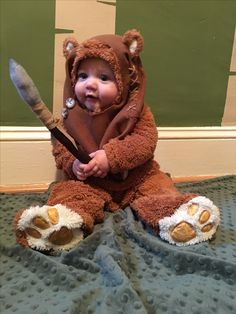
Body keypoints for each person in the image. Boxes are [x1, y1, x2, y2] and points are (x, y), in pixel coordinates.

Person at [14, 30, 220, 252]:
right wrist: (73, 164)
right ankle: (60, 224)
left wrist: (110, 157)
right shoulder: (69, 116)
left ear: (124, 82)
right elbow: (60, 147)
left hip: (137, 177)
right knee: (69, 193)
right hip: (90, 183)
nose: (90, 84)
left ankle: (181, 217)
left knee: (159, 188)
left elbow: (145, 141)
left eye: (103, 78)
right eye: (83, 76)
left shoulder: (136, 112)